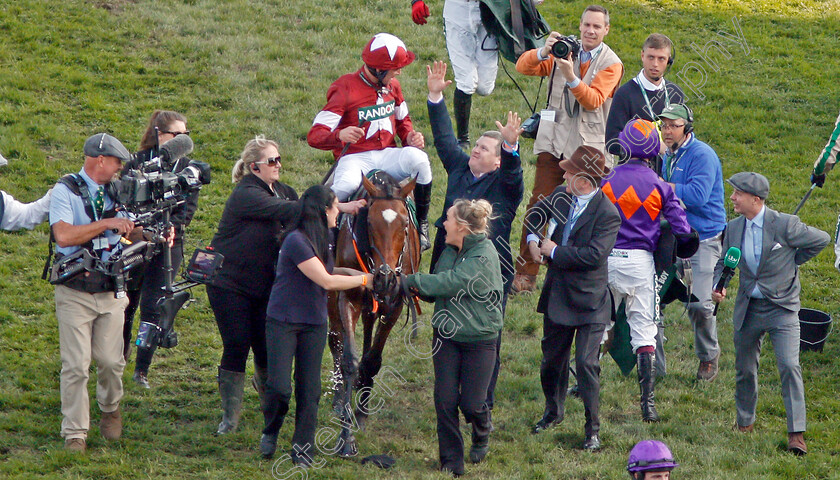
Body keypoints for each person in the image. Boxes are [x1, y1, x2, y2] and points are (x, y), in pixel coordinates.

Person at [207, 137, 364, 436]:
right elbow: (295, 212)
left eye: (279, 159)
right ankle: (230, 418)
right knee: (237, 344)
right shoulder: (246, 194)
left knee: (264, 348)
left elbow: (302, 213)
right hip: (230, 284)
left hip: (265, 285)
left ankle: (271, 408)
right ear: (254, 167)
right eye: (271, 161)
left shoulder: (284, 191)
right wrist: (338, 205)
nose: (278, 165)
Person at [426, 60, 525, 414]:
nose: (476, 150)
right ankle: (447, 391)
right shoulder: (459, 167)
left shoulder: (506, 184)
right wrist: (436, 96)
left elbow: (515, 175)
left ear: (497, 162)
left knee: (486, 334)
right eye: (477, 146)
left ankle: (483, 400)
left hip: (490, 268)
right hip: (450, 261)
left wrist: (511, 149)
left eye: (484, 148)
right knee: (446, 323)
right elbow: (444, 138)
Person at [712, 172, 829, 456]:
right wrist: (720, 285)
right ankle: (745, 423)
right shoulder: (734, 227)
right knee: (744, 369)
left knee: (789, 366)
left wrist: (792, 259)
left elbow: (822, 239)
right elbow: (724, 261)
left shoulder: (786, 225)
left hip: (782, 309)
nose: (732, 198)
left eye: (737, 193)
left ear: (756, 199)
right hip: (748, 308)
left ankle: (796, 434)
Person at [511, 4, 624, 294]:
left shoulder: (612, 63)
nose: (590, 31)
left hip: (587, 151)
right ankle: (526, 271)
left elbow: (593, 100)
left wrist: (570, 74)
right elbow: (523, 67)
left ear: (606, 30)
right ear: (581, 25)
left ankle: (570, 268)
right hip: (553, 141)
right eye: (587, 25)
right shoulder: (564, 49)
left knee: (584, 212)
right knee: (539, 203)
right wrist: (543, 51)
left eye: (597, 27)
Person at [259, 185, 373, 463]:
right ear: (323, 211)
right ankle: (271, 429)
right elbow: (325, 281)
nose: (338, 212)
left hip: (313, 322)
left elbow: (327, 270)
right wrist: (363, 280)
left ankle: (302, 448)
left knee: (310, 390)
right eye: (335, 207)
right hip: (284, 321)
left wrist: (358, 272)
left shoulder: (325, 237)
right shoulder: (296, 240)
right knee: (280, 388)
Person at [525, 145, 621, 450]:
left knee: (586, 364)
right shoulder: (560, 196)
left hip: (590, 300)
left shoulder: (608, 214)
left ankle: (592, 430)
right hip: (558, 294)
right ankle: (553, 412)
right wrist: (531, 239)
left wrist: (553, 251)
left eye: (568, 171)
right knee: (551, 361)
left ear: (583, 179)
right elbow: (535, 215)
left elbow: (594, 256)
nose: (563, 173)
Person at [401, 199, 504, 476]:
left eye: (447, 219)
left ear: (461, 226)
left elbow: (451, 282)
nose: (442, 223)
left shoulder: (483, 255)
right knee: (445, 401)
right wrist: (417, 289)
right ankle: (451, 462)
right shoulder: (449, 249)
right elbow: (436, 287)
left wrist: (410, 280)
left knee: (471, 404)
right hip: (446, 337)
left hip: (479, 340)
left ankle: (481, 429)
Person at [602, 119, 695, 422]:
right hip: (640, 264)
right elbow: (682, 229)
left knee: (598, 327)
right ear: (653, 148)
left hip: (607, 261)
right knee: (645, 333)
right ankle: (648, 406)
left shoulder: (607, 179)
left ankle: (582, 384)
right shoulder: (660, 185)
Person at [49, 133, 136, 452]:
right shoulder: (65, 189)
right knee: (75, 363)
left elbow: (130, 228)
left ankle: (110, 407)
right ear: (101, 160)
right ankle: (75, 432)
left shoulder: (121, 191)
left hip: (112, 287)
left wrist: (144, 232)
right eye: (116, 162)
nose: (118, 168)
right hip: (75, 288)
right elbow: (64, 235)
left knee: (112, 361)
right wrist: (107, 223)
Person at [307, 32, 433, 250]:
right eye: (395, 68)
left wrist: (409, 137)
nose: (399, 72)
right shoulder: (344, 87)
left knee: (420, 161)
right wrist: (339, 135)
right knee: (345, 186)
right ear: (379, 69)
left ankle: (422, 223)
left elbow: (404, 121)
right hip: (355, 158)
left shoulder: (394, 86)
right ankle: (325, 236)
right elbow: (314, 136)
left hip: (388, 154)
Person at [122, 110, 202, 388]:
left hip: (170, 243)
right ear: (159, 134)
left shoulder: (189, 169)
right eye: (175, 135)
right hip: (136, 239)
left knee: (154, 307)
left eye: (185, 136)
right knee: (126, 303)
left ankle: (141, 368)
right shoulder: (137, 162)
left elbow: (188, 210)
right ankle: (120, 353)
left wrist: (172, 228)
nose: (181, 141)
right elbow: (126, 201)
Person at [659, 103, 726, 381]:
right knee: (653, 300)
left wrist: (662, 187)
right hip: (672, 237)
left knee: (698, 304)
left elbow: (697, 196)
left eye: (674, 125)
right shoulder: (668, 155)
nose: (667, 130)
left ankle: (709, 356)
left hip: (703, 239)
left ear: (687, 127)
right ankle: (652, 363)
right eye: (664, 125)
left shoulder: (703, 155)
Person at [411, 0, 500, 149]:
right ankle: (463, 139)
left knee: (485, 87)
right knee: (467, 82)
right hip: (459, 8)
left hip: (490, 7)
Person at [605, 33, 686, 160]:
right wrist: (655, 146)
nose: (655, 64)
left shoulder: (675, 93)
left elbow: (686, 136)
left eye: (661, 59)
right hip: (635, 173)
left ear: (669, 61)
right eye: (651, 57)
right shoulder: (625, 94)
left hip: (669, 173)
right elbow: (612, 143)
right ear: (642, 56)